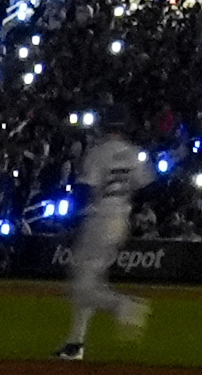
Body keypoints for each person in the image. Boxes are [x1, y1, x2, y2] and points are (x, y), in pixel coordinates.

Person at [55, 125, 152, 360]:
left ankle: (123, 307)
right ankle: (75, 344)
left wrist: (72, 215)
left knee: (81, 285)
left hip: (100, 219)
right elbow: (147, 185)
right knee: (91, 278)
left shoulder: (99, 151)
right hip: (121, 221)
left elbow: (86, 188)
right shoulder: (133, 152)